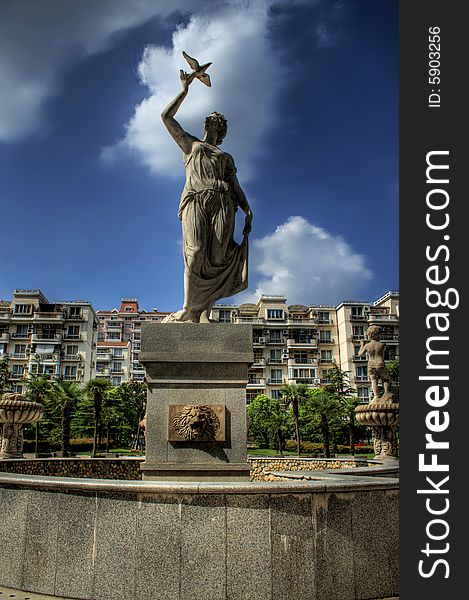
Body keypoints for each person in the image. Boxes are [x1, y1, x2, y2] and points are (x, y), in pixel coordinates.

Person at [161, 67, 252, 323]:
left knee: (218, 257)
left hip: (224, 203)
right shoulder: (190, 144)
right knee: (196, 250)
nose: (213, 121)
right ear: (205, 124)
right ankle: (189, 309)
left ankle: (204, 313)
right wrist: (184, 90)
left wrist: (247, 209)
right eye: (211, 119)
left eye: (218, 122)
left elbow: (235, 185)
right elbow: (166, 117)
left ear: (221, 130)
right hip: (197, 199)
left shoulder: (226, 156)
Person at [357, 325, 393, 402]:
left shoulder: (367, 346)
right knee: (386, 379)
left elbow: (359, 354)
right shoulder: (382, 345)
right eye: (378, 334)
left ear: (370, 335)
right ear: (375, 335)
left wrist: (362, 345)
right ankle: (386, 393)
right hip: (380, 363)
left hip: (371, 364)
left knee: (374, 380)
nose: (379, 336)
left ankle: (376, 396)